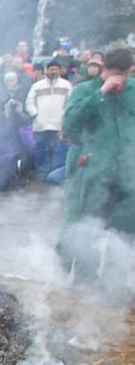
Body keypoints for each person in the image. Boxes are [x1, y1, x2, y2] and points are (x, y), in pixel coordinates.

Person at [58, 47, 135, 279]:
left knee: (125, 226)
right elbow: (69, 126)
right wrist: (100, 93)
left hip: (127, 173)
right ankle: (83, 281)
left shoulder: (132, 92)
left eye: (124, 75)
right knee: (84, 225)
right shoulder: (85, 90)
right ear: (103, 69)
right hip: (90, 172)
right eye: (114, 74)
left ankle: (116, 281)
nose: (119, 80)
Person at [25, 60, 72, 179]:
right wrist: (35, 114)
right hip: (41, 124)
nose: (53, 71)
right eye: (51, 69)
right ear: (46, 70)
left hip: (58, 123)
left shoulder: (66, 85)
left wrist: (64, 115)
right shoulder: (37, 86)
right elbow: (29, 102)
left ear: (59, 70)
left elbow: (70, 102)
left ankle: (53, 174)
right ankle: (41, 172)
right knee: (41, 149)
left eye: (56, 69)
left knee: (56, 150)